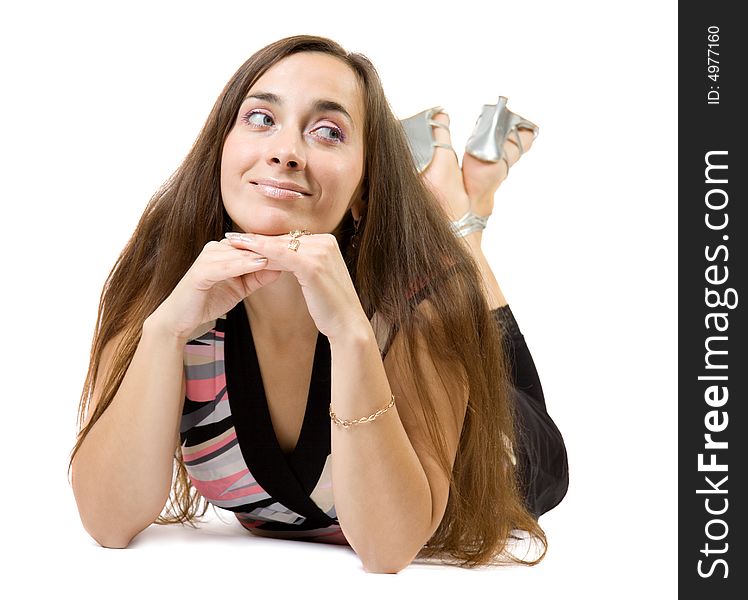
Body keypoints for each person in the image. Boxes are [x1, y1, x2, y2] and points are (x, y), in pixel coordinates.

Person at [68, 34, 568, 574]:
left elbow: (386, 550)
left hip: (499, 442)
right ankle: (451, 206)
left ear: (361, 190)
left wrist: (353, 336)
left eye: (328, 132)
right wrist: (165, 331)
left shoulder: (418, 306)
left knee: (458, 287)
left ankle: (461, 220)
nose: (284, 152)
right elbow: (107, 520)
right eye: (261, 118)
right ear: (221, 148)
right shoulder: (162, 284)